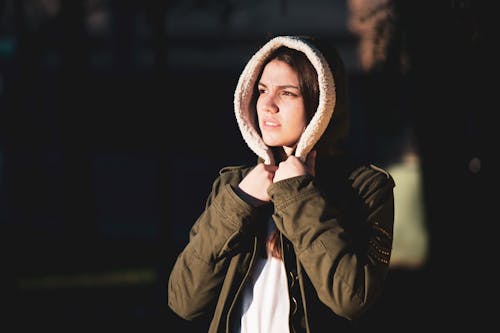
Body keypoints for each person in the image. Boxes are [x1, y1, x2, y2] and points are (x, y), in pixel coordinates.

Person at [168, 35, 395, 333]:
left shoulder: (366, 188)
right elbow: (183, 301)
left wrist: (298, 195)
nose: (268, 105)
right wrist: (239, 203)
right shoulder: (235, 186)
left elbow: (352, 298)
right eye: (262, 90)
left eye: (288, 93)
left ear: (322, 104)